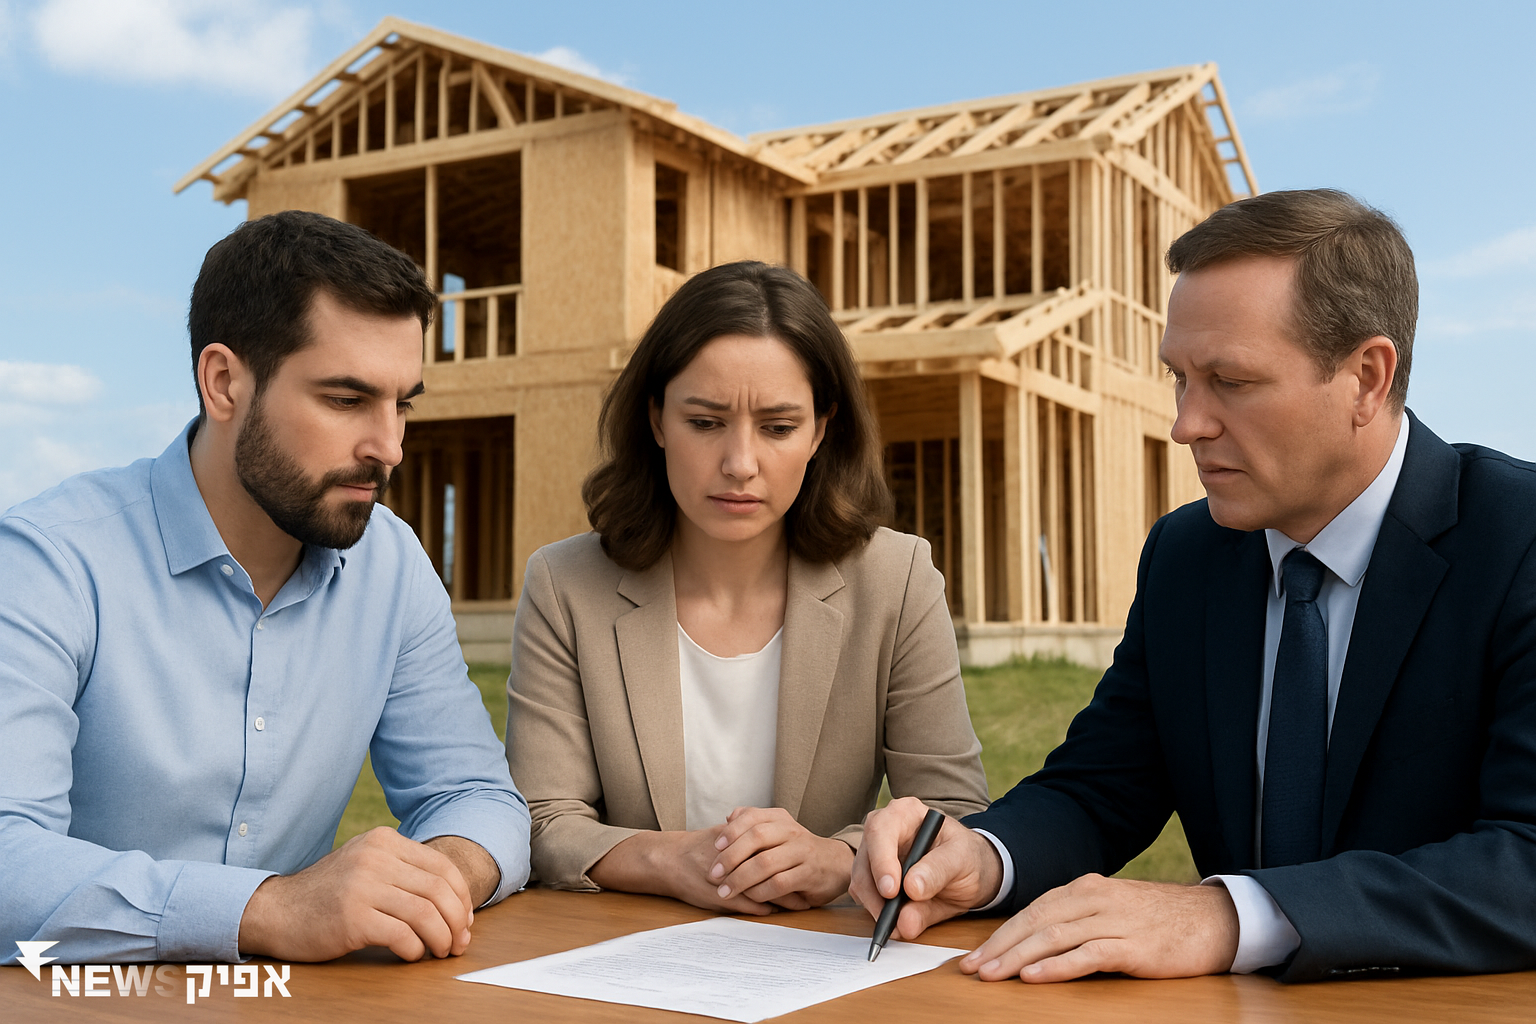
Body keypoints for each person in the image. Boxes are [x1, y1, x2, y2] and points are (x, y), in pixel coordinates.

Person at [850, 189, 1536, 983]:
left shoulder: (1517, 542)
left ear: (1366, 378)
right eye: (1180, 378)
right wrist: (982, 856)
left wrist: (1229, 914)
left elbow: (1524, 860)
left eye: (1231, 381)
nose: (1186, 424)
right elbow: (1102, 789)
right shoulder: (1187, 556)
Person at [0, 211, 531, 965]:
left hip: (293, 1006)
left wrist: (434, 880)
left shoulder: (392, 565)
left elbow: (476, 796)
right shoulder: (49, 562)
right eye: (346, 400)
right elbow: (7, 858)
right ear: (223, 383)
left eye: (403, 403)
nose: (390, 447)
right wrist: (270, 910)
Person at [506, 260, 989, 914]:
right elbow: (540, 818)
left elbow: (954, 813)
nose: (739, 463)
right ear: (656, 420)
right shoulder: (565, 585)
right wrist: (672, 860)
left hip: (821, 955)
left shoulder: (897, 580)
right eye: (705, 423)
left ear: (821, 430)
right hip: (626, 953)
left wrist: (837, 858)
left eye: (778, 428)